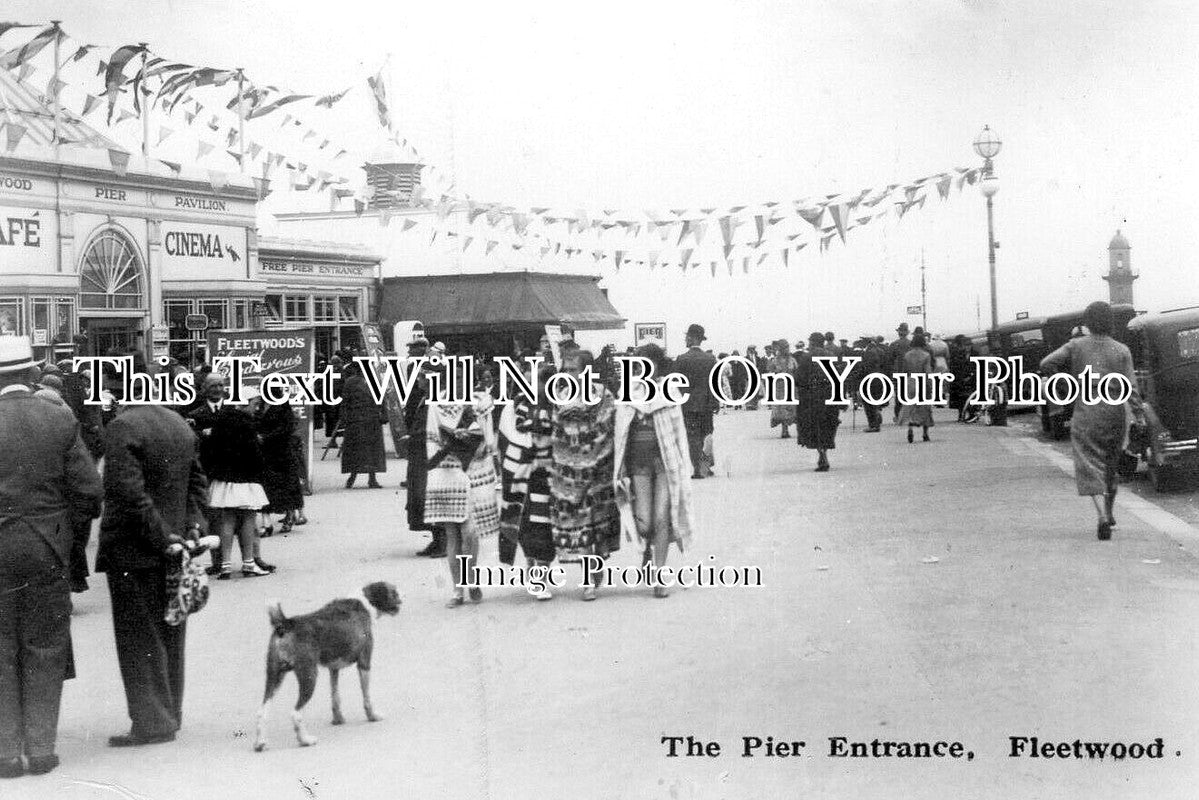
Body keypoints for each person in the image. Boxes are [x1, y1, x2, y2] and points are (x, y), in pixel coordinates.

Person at [0, 337, 102, 777]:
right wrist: (64, 535)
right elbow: (89, 493)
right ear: (31, 374)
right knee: (44, 645)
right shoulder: (59, 419)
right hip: (47, 548)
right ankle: (41, 749)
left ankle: (5, 753)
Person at [96, 359, 207, 748]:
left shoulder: (123, 427)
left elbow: (128, 494)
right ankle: (169, 712)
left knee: (138, 636)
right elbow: (197, 483)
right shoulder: (178, 423)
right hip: (176, 547)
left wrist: (162, 538)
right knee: (171, 629)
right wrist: (190, 529)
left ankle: (152, 722)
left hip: (135, 549)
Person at [1040, 301, 1144, 541]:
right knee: (1110, 466)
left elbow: (1046, 364)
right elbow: (1132, 387)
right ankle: (1110, 512)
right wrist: (1138, 414)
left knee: (1089, 465)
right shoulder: (1122, 350)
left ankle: (1101, 516)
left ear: (1087, 321)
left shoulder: (1076, 346)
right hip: (1115, 412)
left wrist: (1065, 382)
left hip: (1086, 410)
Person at [614, 344, 695, 599]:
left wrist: (684, 466)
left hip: (665, 465)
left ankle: (660, 575)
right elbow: (621, 434)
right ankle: (647, 551)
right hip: (637, 465)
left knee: (662, 518)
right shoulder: (628, 391)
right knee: (645, 521)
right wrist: (621, 466)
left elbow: (678, 430)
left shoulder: (669, 391)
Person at [551, 350, 621, 600]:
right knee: (580, 526)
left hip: (597, 468)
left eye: (573, 369)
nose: (568, 374)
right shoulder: (559, 396)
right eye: (566, 370)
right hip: (570, 471)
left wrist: (592, 457)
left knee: (596, 524)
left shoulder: (602, 395)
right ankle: (588, 579)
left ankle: (595, 570)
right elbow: (556, 431)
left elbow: (607, 427)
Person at [425, 377, 500, 607]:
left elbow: (489, 436)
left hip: (476, 469)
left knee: (471, 533)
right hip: (448, 470)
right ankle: (458, 590)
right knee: (452, 534)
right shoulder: (437, 405)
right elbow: (432, 439)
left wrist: (479, 444)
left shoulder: (480, 402)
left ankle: (472, 578)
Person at [497, 363, 556, 599]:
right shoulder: (514, 409)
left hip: (547, 475)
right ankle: (533, 571)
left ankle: (540, 576)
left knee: (544, 526)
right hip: (520, 476)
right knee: (524, 527)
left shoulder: (556, 406)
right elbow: (506, 440)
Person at [203, 390, 273, 578]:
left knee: (227, 521)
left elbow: (211, 450)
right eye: (254, 403)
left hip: (224, 480)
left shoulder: (221, 420)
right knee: (248, 521)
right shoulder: (246, 424)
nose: (256, 407)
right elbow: (255, 454)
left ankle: (225, 565)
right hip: (246, 479)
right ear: (244, 403)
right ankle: (249, 563)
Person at [674, 324, 718, 478]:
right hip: (707, 404)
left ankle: (697, 468)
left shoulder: (681, 359)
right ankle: (706, 466)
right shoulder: (710, 359)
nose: (685, 339)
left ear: (691, 338)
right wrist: (715, 402)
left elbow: (676, 383)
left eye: (687, 336)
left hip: (688, 405)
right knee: (707, 434)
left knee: (693, 436)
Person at [794, 332, 842, 471]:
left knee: (815, 426)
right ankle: (825, 452)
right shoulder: (831, 356)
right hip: (830, 396)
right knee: (828, 425)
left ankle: (821, 454)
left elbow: (798, 379)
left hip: (812, 398)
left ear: (813, 343)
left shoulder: (806, 357)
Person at [257, 399, 305, 533]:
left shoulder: (283, 405)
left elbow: (286, 427)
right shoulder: (260, 405)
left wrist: (266, 437)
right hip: (265, 452)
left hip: (281, 451)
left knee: (286, 484)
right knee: (266, 485)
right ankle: (266, 521)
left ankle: (289, 514)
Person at [340, 363, 386, 489]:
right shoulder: (350, 382)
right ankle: (352, 476)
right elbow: (345, 402)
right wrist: (344, 418)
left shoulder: (374, 381)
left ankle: (372, 478)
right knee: (358, 451)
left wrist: (384, 414)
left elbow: (381, 399)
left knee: (372, 451)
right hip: (357, 420)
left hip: (371, 419)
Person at [898, 331, 937, 443]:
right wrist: (931, 383)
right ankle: (925, 434)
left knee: (910, 407)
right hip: (922, 382)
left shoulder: (907, 355)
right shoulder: (926, 355)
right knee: (924, 407)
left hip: (910, 382)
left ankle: (910, 429)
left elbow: (904, 371)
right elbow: (928, 371)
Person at [767, 340, 798, 438]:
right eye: (785, 347)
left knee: (790, 409)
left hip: (791, 387)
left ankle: (787, 429)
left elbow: (797, 371)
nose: (787, 349)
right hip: (779, 388)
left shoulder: (792, 360)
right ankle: (784, 430)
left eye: (787, 347)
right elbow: (770, 372)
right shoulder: (774, 360)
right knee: (781, 409)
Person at [856, 336, 887, 432]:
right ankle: (877, 416)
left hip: (869, 380)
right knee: (875, 401)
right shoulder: (881, 351)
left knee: (868, 404)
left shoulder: (867, 353)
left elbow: (865, 368)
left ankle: (873, 425)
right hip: (880, 379)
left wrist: (857, 377)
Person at [888, 323, 912, 421]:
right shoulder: (911, 344)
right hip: (910, 371)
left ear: (899, 333)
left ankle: (898, 415)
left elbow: (890, 359)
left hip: (898, 371)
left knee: (899, 394)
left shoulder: (894, 344)